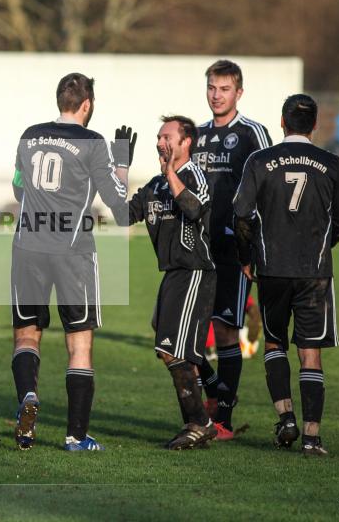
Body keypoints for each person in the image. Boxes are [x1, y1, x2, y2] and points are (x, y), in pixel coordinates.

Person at [9, 72, 133, 451]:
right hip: (72, 251)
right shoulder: (94, 143)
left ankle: (28, 398)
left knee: (27, 333)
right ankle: (76, 435)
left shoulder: (30, 134)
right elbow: (119, 204)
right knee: (79, 343)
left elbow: (17, 186)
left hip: (27, 245)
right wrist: (122, 160)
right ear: (87, 105)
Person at [233, 94, 339, 456]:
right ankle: (313, 438)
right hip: (314, 273)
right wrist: (320, 247)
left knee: (274, 342)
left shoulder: (259, 160)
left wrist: (248, 256)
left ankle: (285, 417)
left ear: (282, 122)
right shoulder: (332, 163)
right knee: (310, 352)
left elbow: (240, 213)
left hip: (272, 269)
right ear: (315, 126)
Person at [117, 115, 217, 449]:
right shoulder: (156, 185)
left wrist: (171, 172)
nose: (161, 142)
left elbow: (193, 209)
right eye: (158, 137)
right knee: (172, 350)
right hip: (173, 274)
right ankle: (213, 397)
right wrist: (120, 170)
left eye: (167, 136)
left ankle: (199, 422)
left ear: (186, 141)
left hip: (194, 271)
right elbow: (122, 215)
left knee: (173, 349)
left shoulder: (194, 175)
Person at [192, 59, 272, 438]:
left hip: (233, 249)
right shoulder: (198, 134)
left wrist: (254, 249)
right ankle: (217, 391)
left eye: (224, 89)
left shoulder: (253, 133)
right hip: (196, 249)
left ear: (238, 93)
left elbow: (269, 188)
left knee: (224, 330)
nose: (216, 95)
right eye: (211, 87)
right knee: (176, 329)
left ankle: (221, 418)